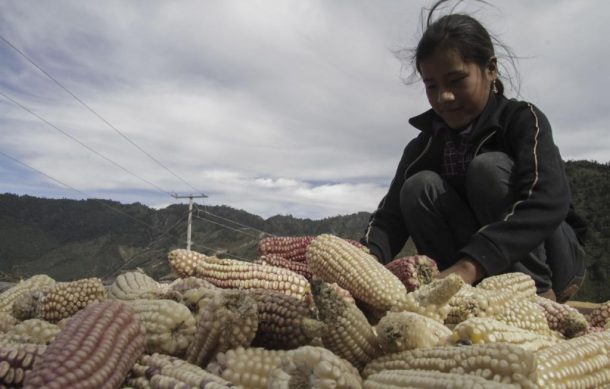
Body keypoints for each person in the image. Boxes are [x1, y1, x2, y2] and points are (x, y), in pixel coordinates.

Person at [361, 0, 587, 302]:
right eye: (431, 86)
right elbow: (390, 218)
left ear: (490, 69)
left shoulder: (522, 120)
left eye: (456, 80)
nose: (444, 96)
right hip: (473, 272)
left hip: (552, 261)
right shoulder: (423, 146)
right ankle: (460, 295)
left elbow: (547, 199)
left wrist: (469, 265)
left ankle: (539, 297)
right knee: (418, 187)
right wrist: (364, 261)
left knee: (488, 169)